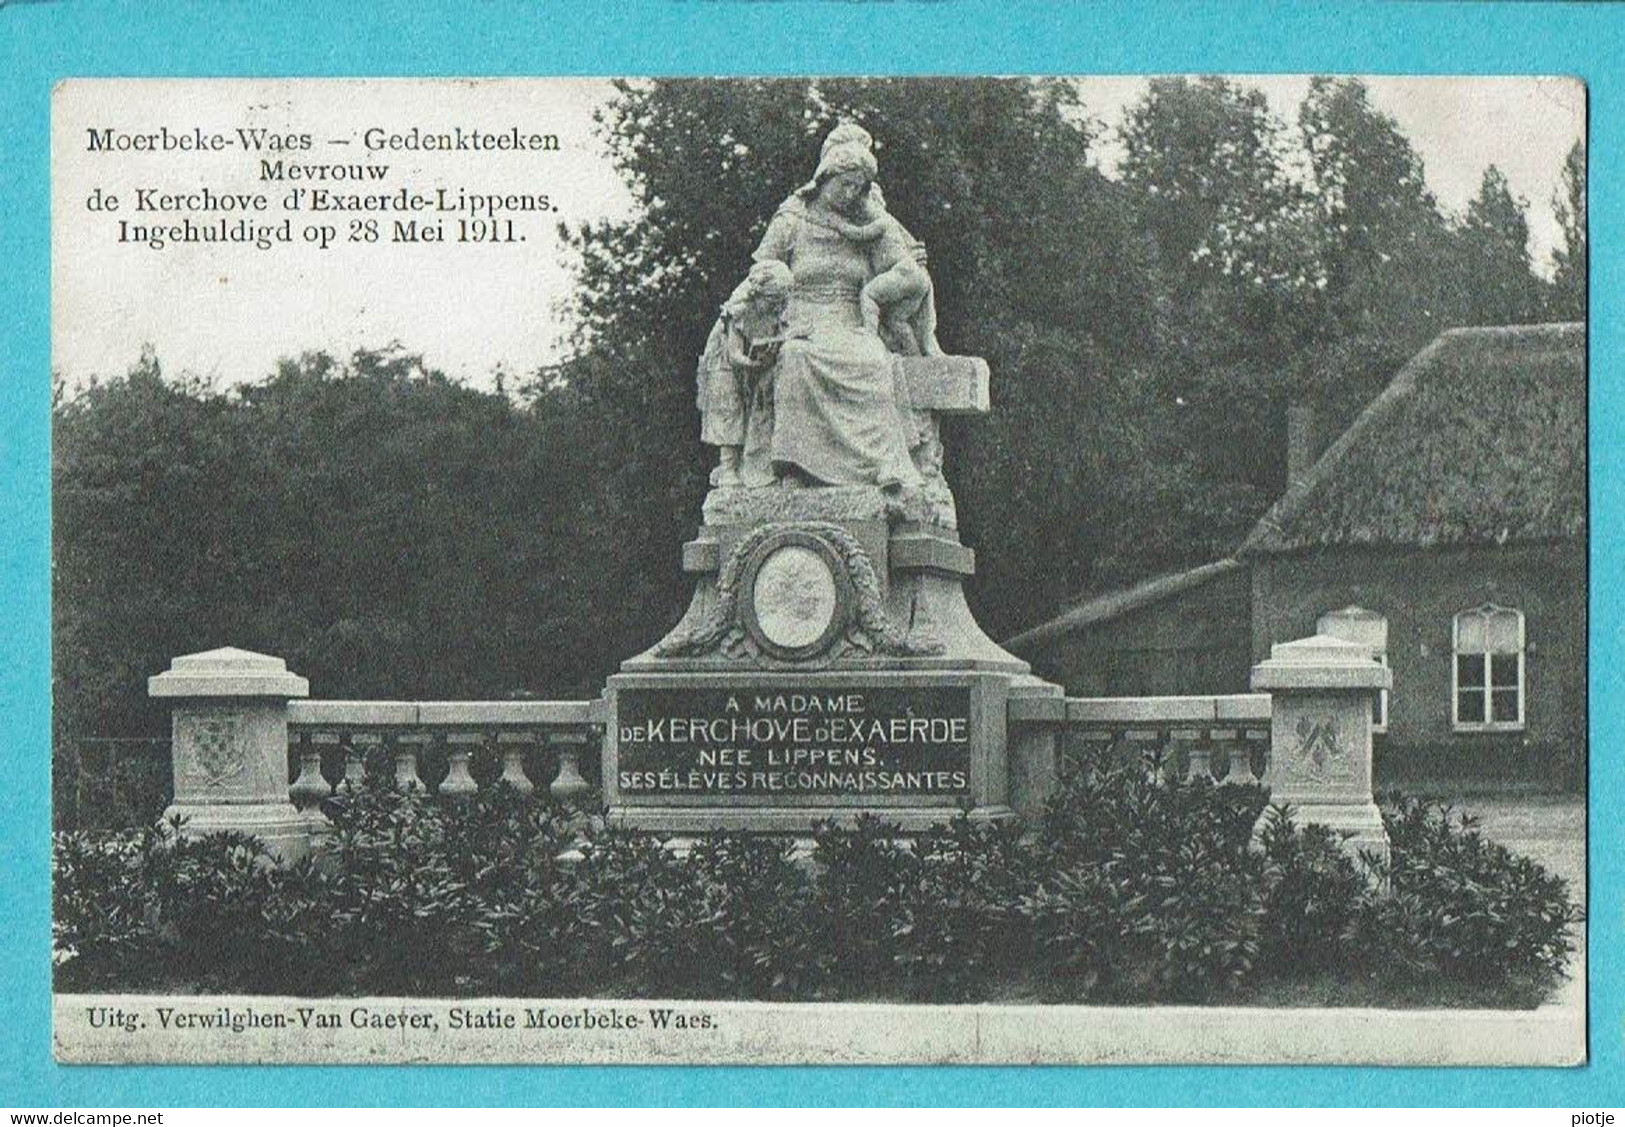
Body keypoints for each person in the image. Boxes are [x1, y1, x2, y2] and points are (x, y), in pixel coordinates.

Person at [744, 131, 929, 490]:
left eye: (857, 188)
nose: (849, 195)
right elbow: (760, 271)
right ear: (825, 177)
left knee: (875, 363)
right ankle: (797, 468)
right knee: (796, 358)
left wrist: (905, 266)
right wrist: (761, 314)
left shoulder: (866, 223)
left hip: (853, 321)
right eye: (844, 185)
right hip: (802, 322)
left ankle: (884, 467)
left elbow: (902, 269)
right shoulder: (792, 218)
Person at [696, 260, 792, 486]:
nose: (778, 307)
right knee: (729, 411)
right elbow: (734, 354)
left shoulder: (772, 312)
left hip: (747, 364)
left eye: (781, 302)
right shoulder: (739, 310)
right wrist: (753, 364)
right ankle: (728, 467)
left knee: (748, 408)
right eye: (773, 301)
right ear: (761, 295)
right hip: (724, 366)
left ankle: (747, 464)